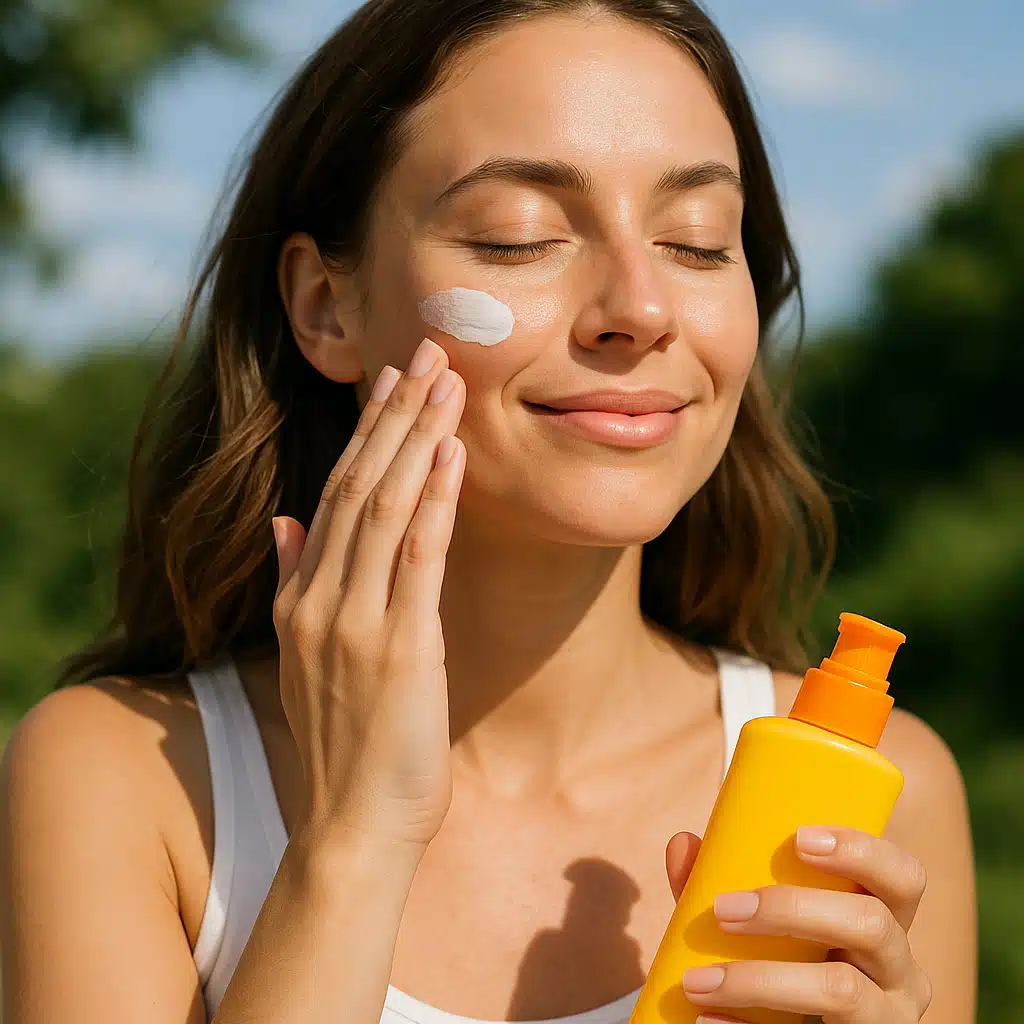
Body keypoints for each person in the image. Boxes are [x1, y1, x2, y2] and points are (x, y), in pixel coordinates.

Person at [0, 1, 976, 1021]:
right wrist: (355, 838)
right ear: (325, 307)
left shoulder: (882, 790)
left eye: (696, 241)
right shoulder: (123, 775)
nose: (640, 309)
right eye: (522, 237)